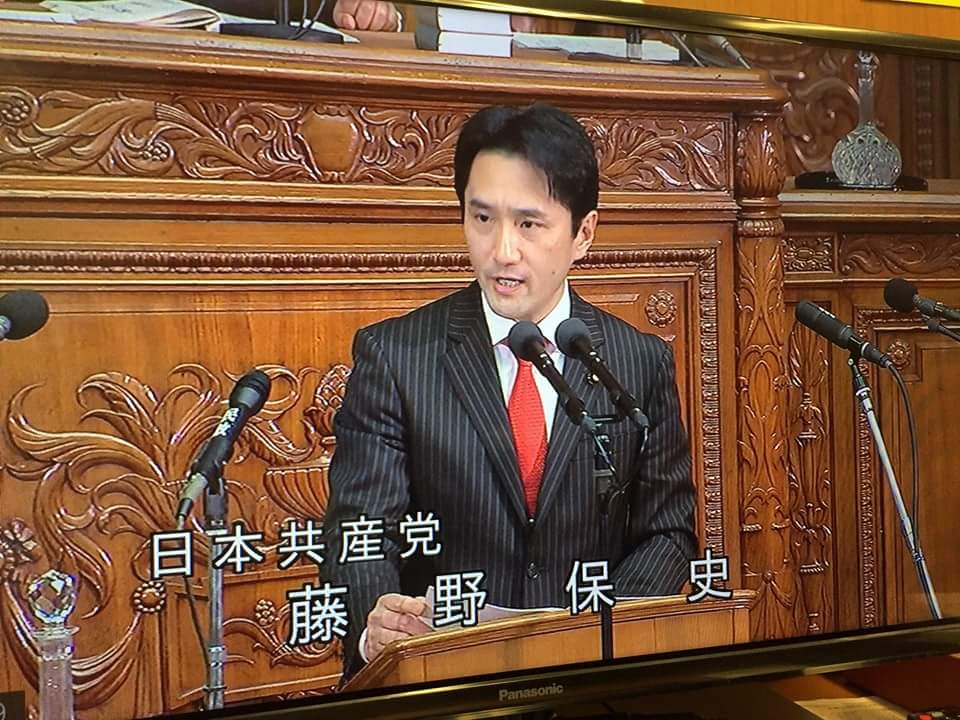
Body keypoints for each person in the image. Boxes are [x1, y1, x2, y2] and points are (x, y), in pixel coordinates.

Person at [323, 103, 696, 677]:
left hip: (593, 682)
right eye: (482, 218)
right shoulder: (395, 357)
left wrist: (593, 640)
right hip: (446, 682)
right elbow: (360, 534)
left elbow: (668, 532)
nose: (502, 251)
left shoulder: (636, 363)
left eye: (528, 224)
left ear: (583, 233)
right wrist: (381, 630)